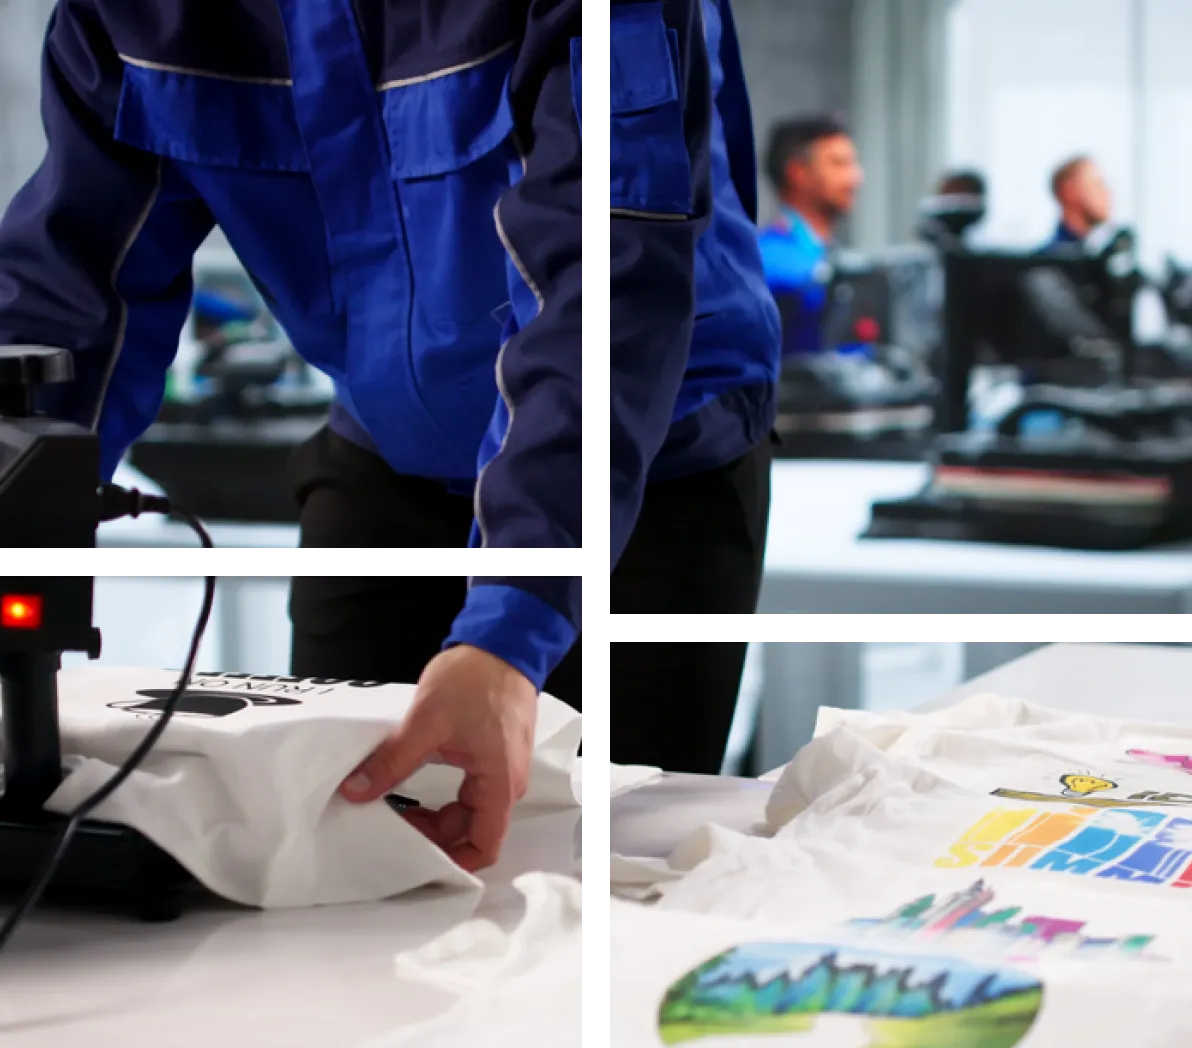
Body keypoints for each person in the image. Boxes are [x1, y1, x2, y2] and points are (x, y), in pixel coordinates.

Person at [0, 0, 778, 865]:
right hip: (388, 455)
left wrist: (509, 631)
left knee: (602, 883)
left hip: (642, 467)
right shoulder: (130, 15)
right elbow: (70, 304)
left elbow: (604, 290)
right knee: (325, 844)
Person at [757, 115, 864, 356]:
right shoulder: (764, 261)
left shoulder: (830, 257)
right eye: (839, 164)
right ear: (798, 173)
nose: (855, 178)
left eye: (853, 164)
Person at [1046, 155, 1112, 250]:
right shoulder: (1045, 261)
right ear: (1070, 191)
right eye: (1097, 185)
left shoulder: (1115, 258)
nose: (1106, 193)